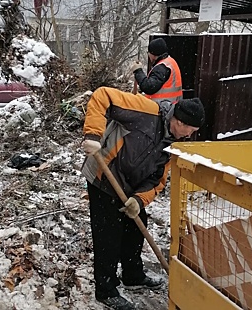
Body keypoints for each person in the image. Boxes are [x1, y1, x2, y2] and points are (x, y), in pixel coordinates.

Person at [81, 87, 205, 310]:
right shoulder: (146, 111)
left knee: (136, 228)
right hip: (104, 176)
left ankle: (132, 275)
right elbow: (103, 96)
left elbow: (157, 181)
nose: (189, 135)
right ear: (179, 120)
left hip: (130, 187)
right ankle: (106, 290)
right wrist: (93, 134)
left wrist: (138, 200)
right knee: (108, 235)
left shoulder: (172, 144)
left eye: (193, 131)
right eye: (189, 128)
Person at [130, 37, 183, 103]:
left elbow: (149, 87)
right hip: (171, 105)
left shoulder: (162, 68)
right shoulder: (169, 62)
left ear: (153, 54)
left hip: (163, 108)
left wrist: (138, 71)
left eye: (148, 52)